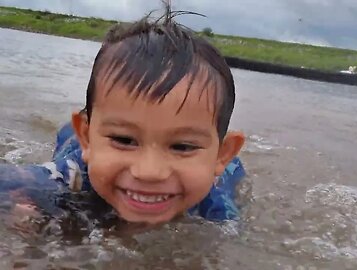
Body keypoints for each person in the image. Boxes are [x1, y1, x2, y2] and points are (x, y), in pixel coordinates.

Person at [0, 10, 246, 225]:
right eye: (124, 140)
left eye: (182, 146)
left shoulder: (217, 205)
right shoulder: (72, 174)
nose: (149, 172)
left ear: (222, 155)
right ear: (87, 137)